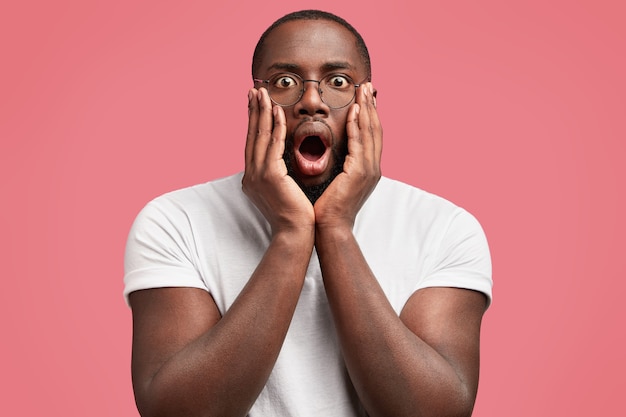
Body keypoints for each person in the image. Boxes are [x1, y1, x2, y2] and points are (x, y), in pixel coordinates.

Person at [124, 9, 492, 417]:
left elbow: (432, 412)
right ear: (255, 101)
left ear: (367, 101)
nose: (312, 101)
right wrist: (291, 233)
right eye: (285, 82)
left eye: (338, 82)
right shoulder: (176, 222)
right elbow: (176, 412)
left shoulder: (444, 228)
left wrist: (335, 229)